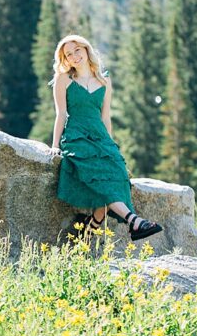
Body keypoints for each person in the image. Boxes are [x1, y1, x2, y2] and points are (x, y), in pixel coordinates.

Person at [48, 34, 162, 241]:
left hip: (101, 137)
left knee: (117, 174)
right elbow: (61, 114)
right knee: (99, 179)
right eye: (68, 54)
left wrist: (111, 147)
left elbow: (106, 116)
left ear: (86, 49)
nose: (74, 56)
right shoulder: (63, 79)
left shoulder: (104, 79)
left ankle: (89, 231)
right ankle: (134, 221)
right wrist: (55, 145)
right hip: (77, 137)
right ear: (64, 59)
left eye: (77, 50)